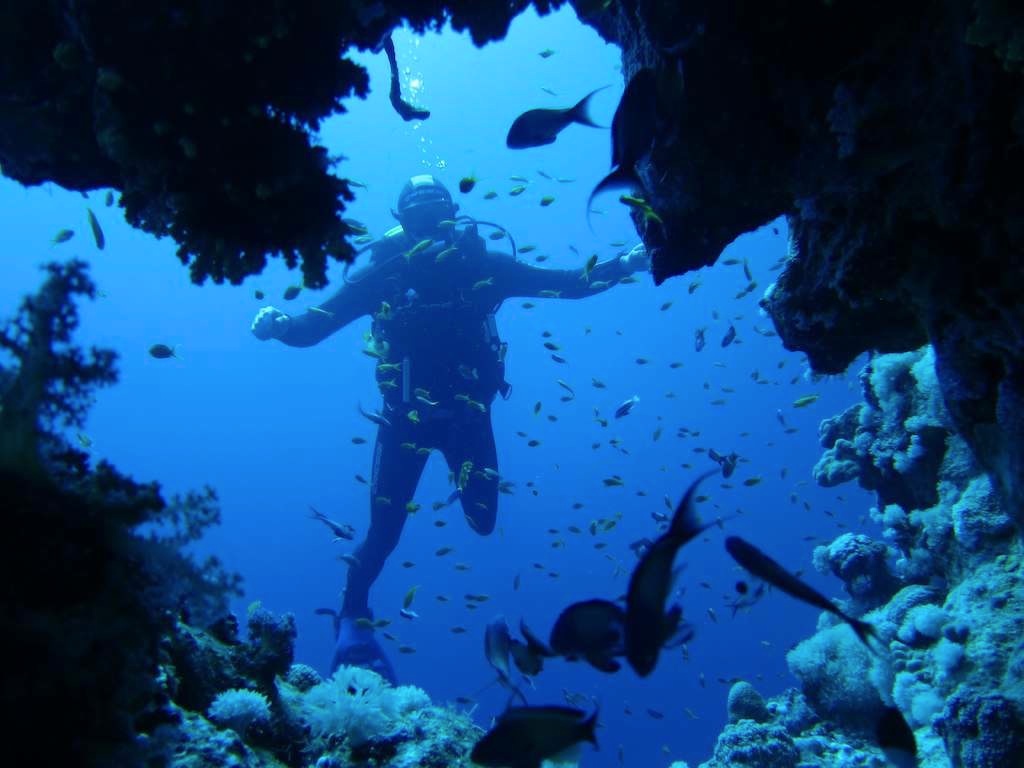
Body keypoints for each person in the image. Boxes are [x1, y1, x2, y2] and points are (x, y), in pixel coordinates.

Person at [251, 174, 650, 682]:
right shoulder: (384, 275)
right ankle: (352, 619)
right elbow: (317, 325)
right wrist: (282, 325)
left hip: (468, 419)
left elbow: (568, 283)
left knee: (483, 521)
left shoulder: (483, 266)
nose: (429, 230)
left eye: (436, 218)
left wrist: (626, 263)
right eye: (418, 221)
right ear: (403, 225)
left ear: (453, 217)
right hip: (403, 423)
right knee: (383, 533)